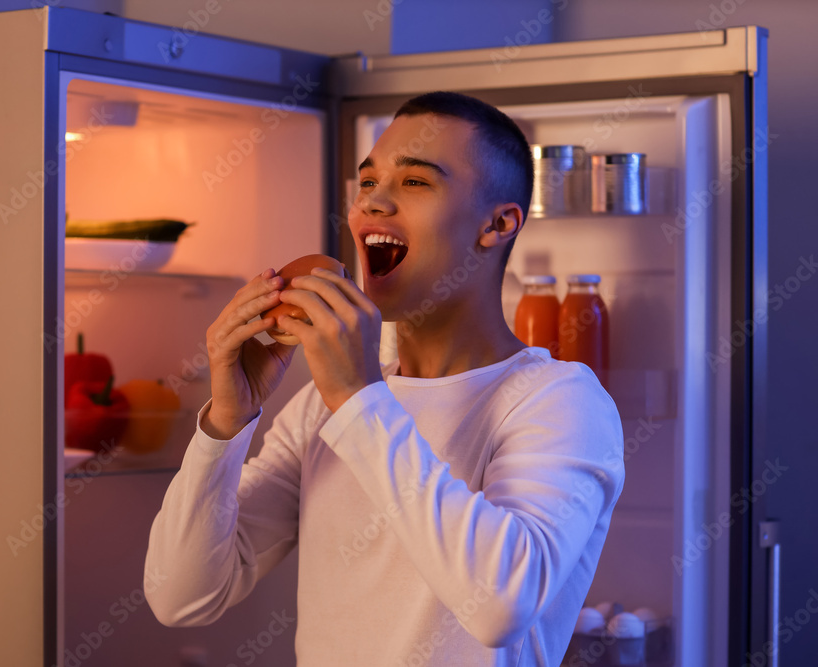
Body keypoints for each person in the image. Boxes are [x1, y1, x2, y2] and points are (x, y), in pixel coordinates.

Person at [145, 91, 625, 666]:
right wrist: (225, 423)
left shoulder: (558, 401)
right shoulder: (321, 408)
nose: (373, 203)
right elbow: (181, 596)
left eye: (416, 182)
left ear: (498, 224)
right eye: (367, 183)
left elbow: (499, 605)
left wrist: (358, 396)